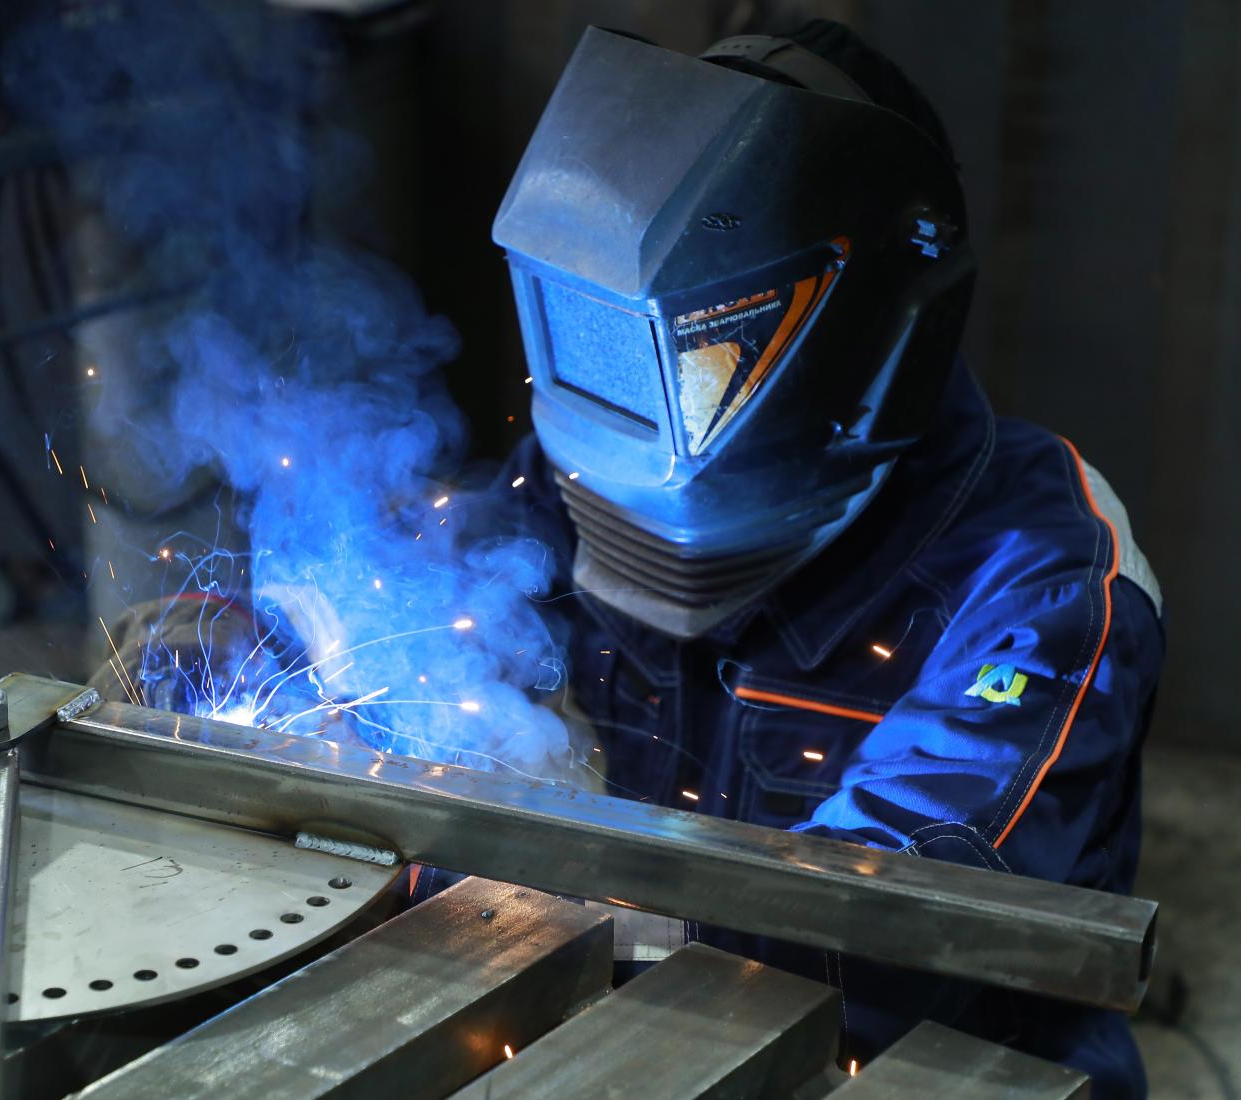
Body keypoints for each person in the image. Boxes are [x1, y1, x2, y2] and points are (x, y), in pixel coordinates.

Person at [490, 21, 1165, 1099]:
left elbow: (884, 925)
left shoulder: (1047, 575)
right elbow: (394, 609)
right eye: (604, 339)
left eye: (704, 355)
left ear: (855, 335)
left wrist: (524, 908)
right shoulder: (564, 468)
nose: (645, 404)